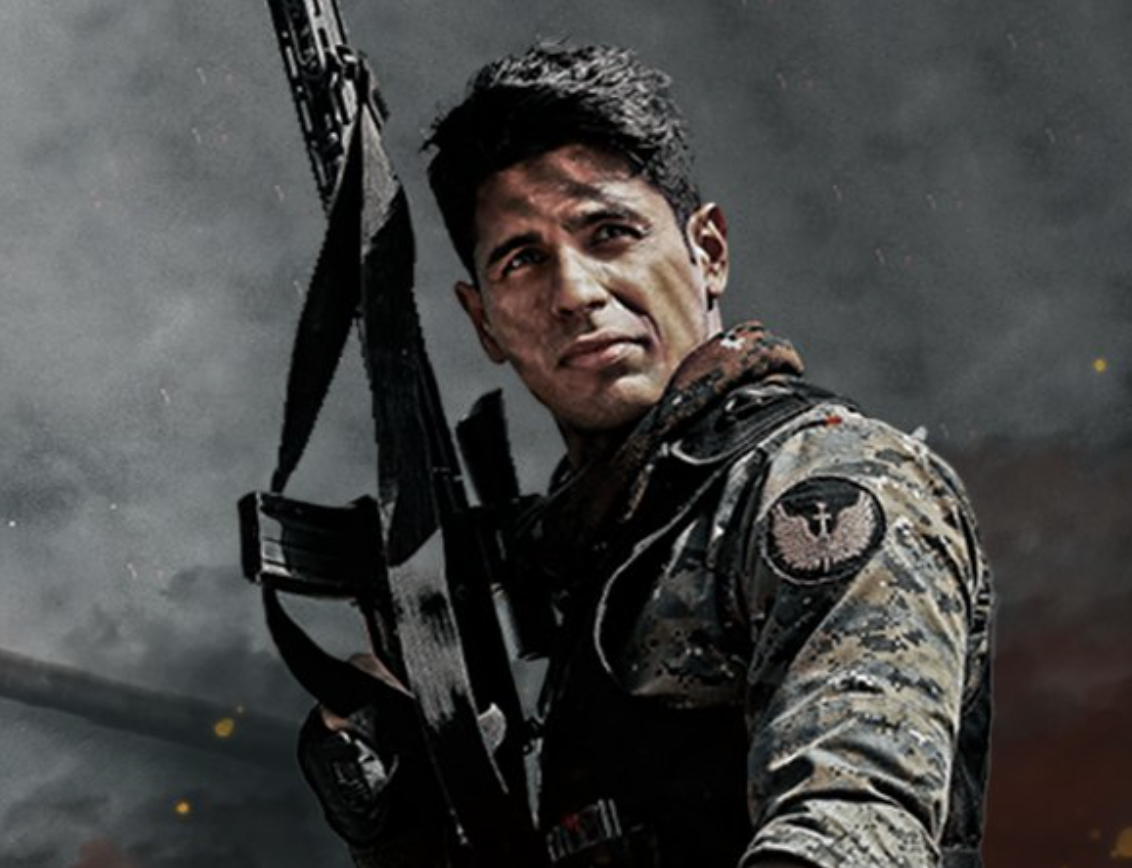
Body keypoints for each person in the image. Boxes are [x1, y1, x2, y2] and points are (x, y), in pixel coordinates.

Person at [297, 43, 994, 868]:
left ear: (709, 253)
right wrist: (405, 813)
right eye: (522, 260)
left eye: (610, 233)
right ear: (484, 321)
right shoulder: (588, 554)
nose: (574, 292)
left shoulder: (819, 489)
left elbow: (853, 828)